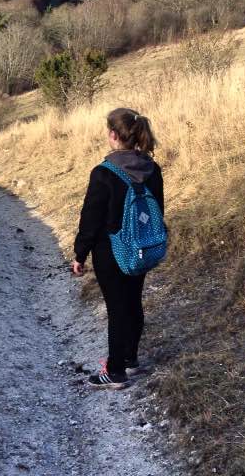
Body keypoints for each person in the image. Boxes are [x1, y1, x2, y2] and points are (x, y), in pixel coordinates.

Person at [72, 107, 164, 389]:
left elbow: (90, 219)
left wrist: (80, 254)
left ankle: (114, 371)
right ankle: (130, 359)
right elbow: (158, 209)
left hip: (109, 251)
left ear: (112, 135)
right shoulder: (152, 169)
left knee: (116, 308)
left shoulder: (103, 173)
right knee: (133, 301)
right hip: (141, 246)